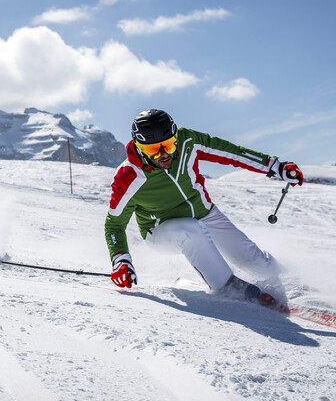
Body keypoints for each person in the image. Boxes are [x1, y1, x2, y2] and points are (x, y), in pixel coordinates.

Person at [105, 109, 304, 303]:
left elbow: (231, 152)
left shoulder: (188, 142)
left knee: (256, 261)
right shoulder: (128, 176)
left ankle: (297, 288)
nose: (164, 154)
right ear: (139, 147)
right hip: (159, 232)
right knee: (189, 231)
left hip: (205, 214)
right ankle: (228, 287)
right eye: (153, 149)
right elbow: (114, 225)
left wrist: (274, 166)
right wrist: (121, 260)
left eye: (168, 145)